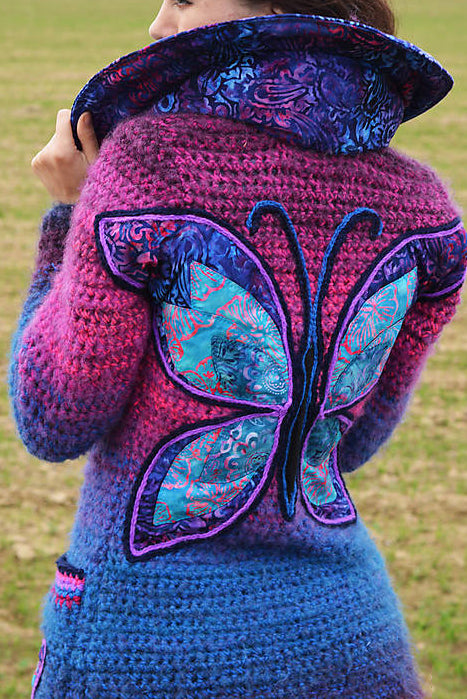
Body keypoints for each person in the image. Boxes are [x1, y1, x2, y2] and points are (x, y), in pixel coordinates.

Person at [10, 0, 466, 697]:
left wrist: (69, 215)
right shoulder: (426, 211)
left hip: (147, 644)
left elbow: (53, 417)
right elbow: (347, 444)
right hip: (349, 639)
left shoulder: (151, 168)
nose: (158, 23)